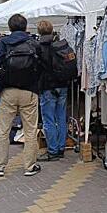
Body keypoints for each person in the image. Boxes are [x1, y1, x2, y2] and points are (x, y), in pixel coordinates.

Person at [0, 14, 45, 177]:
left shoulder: (3, 42)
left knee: (3, 130)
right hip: (30, 90)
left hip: (8, 89)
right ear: (25, 26)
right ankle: (30, 166)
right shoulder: (34, 43)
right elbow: (42, 64)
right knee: (30, 130)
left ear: (10, 27)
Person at [37, 21, 70, 161]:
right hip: (63, 85)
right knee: (61, 118)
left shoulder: (39, 48)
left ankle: (53, 150)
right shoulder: (61, 44)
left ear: (39, 32)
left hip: (48, 88)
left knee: (49, 120)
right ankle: (61, 147)